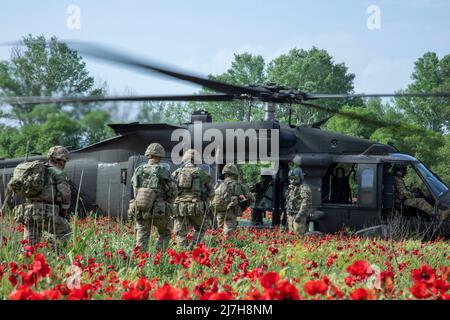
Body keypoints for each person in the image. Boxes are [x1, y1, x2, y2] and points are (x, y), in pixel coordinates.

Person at [11, 146, 72, 247]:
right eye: (64, 161)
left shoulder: (36, 172)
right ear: (59, 160)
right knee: (66, 232)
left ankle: (28, 261)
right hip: (46, 214)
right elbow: (65, 195)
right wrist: (63, 212)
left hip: (27, 214)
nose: (64, 164)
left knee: (30, 246)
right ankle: (54, 254)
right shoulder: (58, 173)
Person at [129, 143, 177, 252]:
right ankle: (158, 257)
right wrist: (169, 202)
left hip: (141, 208)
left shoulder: (138, 170)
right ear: (160, 156)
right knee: (165, 233)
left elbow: (135, 189)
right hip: (159, 209)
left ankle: (140, 259)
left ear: (148, 155)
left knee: (142, 235)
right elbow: (173, 190)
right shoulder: (162, 170)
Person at [172, 149, 214, 249]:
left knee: (180, 232)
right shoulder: (200, 173)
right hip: (196, 206)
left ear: (184, 159)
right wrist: (206, 199)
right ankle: (193, 246)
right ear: (197, 160)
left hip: (179, 207)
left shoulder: (177, 173)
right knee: (201, 228)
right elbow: (211, 190)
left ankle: (181, 252)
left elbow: (171, 190)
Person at [212, 164, 255, 237]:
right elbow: (251, 198)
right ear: (235, 174)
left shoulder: (218, 184)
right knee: (228, 232)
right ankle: (226, 245)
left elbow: (211, 196)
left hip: (219, 211)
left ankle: (217, 245)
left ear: (225, 174)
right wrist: (243, 205)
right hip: (231, 211)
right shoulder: (238, 184)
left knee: (218, 231)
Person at [285, 166, 312, 235]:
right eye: (291, 178)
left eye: (295, 178)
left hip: (299, 215)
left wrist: (299, 215)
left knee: (298, 235)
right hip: (291, 214)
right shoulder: (291, 187)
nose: (292, 180)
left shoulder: (304, 188)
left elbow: (306, 203)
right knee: (292, 235)